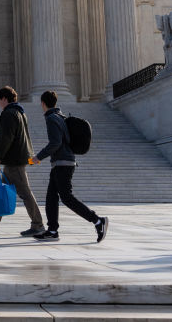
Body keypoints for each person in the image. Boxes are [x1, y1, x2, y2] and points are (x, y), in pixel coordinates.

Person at [31, 91, 108, 243]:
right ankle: (52, 231)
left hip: (62, 163)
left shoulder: (52, 118)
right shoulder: (60, 116)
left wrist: (37, 157)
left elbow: (55, 143)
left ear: (43, 103)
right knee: (51, 197)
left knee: (66, 197)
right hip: (62, 162)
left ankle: (98, 221)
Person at [0, 86, 46, 237]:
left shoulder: (7, 114)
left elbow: (8, 138)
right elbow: (11, 134)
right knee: (2, 192)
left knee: (25, 193)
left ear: (5, 98)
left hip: (14, 161)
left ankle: (38, 225)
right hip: (17, 158)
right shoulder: (19, 112)